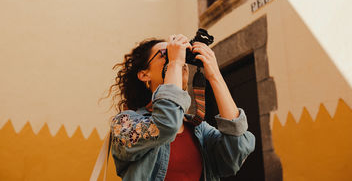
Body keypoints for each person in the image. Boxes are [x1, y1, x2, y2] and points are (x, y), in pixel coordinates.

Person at [108, 34, 255, 181]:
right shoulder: (124, 123)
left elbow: (236, 152)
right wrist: (175, 63)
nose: (178, 57)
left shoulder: (199, 129)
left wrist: (215, 75)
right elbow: (167, 123)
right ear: (144, 74)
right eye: (166, 54)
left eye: (180, 53)